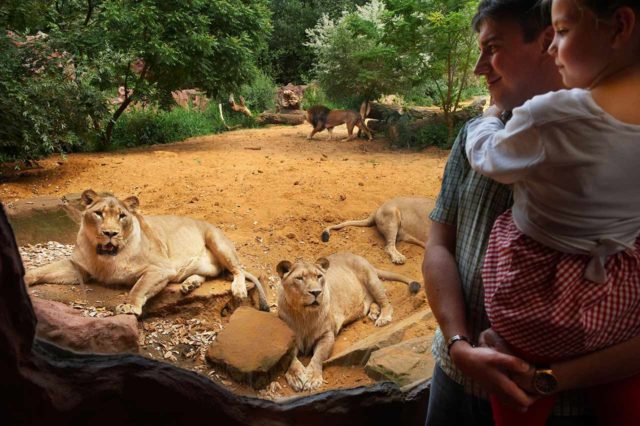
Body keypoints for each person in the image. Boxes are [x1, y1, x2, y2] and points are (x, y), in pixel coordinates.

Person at [422, 1, 640, 425]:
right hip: (453, 378)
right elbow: (438, 245)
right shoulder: (476, 132)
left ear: (544, 42)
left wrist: (544, 379)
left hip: (566, 406)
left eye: (493, 48)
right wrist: (458, 345)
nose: (479, 68)